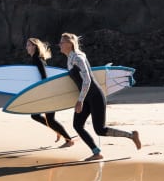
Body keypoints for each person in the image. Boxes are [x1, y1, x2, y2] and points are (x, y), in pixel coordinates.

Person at [58, 32, 141, 160]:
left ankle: (132, 135)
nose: (59, 44)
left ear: (69, 44)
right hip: (85, 96)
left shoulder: (78, 58)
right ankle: (96, 152)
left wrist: (79, 101)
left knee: (100, 129)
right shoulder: (70, 58)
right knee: (77, 125)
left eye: (62, 42)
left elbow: (87, 80)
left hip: (95, 96)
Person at [25, 37, 74, 148]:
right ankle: (59, 132)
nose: (26, 47)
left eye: (28, 45)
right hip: (46, 92)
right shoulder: (36, 58)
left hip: (48, 93)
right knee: (37, 116)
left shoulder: (37, 59)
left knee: (47, 119)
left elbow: (44, 77)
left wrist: (42, 93)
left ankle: (68, 140)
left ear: (34, 46)